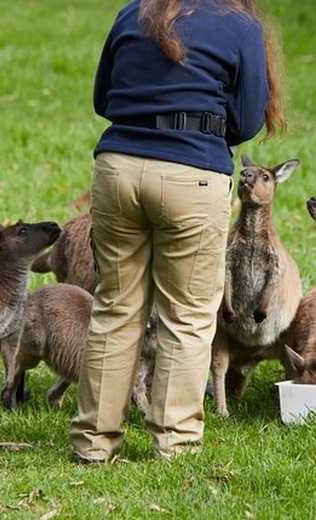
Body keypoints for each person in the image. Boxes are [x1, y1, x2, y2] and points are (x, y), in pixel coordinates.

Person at [69, 0, 287, 462]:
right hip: (193, 176)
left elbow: (102, 99)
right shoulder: (240, 24)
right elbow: (247, 121)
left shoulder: (134, 12)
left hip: (117, 170)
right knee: (186, 315)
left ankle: (93, 442)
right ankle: (175, 442)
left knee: (114, 306)